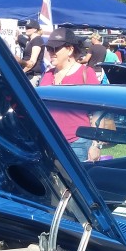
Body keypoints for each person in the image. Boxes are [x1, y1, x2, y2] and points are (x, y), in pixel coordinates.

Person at [38, 28, 99, 160]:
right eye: (48, 48)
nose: (50, 53)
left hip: (77, 143)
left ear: (70, 49)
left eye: (55, 49)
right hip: (48, 143)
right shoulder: (47, 74)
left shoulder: (86, 73)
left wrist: (95, 145)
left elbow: (98, 112)